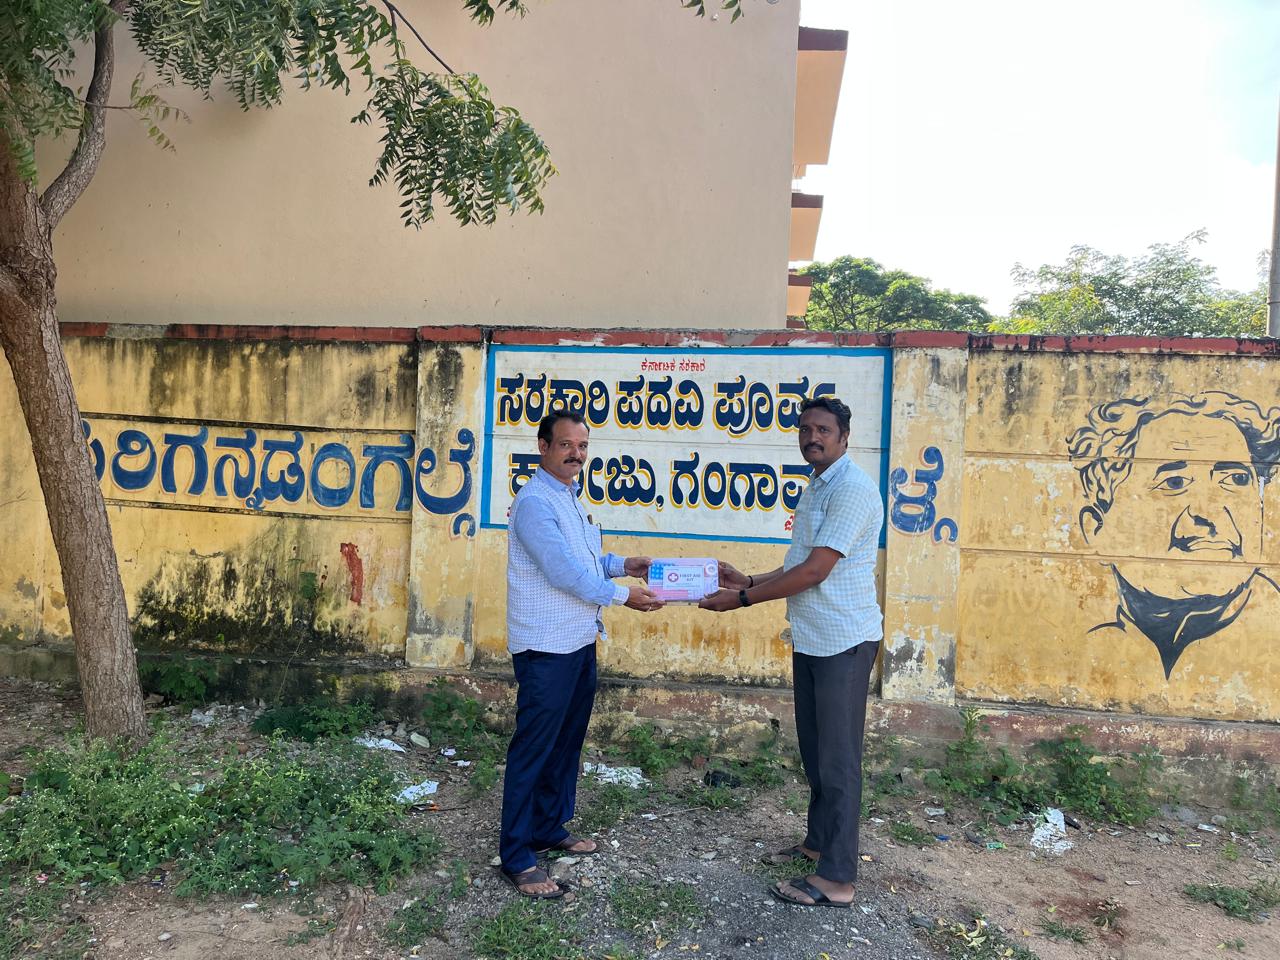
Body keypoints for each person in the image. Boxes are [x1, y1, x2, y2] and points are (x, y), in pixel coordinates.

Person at [701, 396, 883, 909]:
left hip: (844, 642)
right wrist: (751, 579)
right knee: (816, 751)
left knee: (839, 759)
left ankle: (838, 878)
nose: (812, 437)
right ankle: (818, 842)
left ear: (844, 437)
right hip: (815, 636)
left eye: (823, 430)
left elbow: (814, 572)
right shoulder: (818, 486)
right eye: (805, 429)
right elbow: (799, 565)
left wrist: (739, 599)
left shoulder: (850, 490)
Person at [498, 410, 662, 899]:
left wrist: (624, 564)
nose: (576, 454)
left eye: (582, 446)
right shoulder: (534, 504)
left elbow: (586, 560)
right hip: (546, 647)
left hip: (577, 641)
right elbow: (563, 573)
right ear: (543, 447)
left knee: (566, 743)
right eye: (566, 445)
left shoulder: (570, 499)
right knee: (534, 747)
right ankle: (517, 855)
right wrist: (622, 595)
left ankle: (548, 828)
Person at [1067, 391, 1280, 677]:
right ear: (1098, 530)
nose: (1209, 512)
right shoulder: (1079, 645)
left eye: (1235, 479)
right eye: (1174, 482)